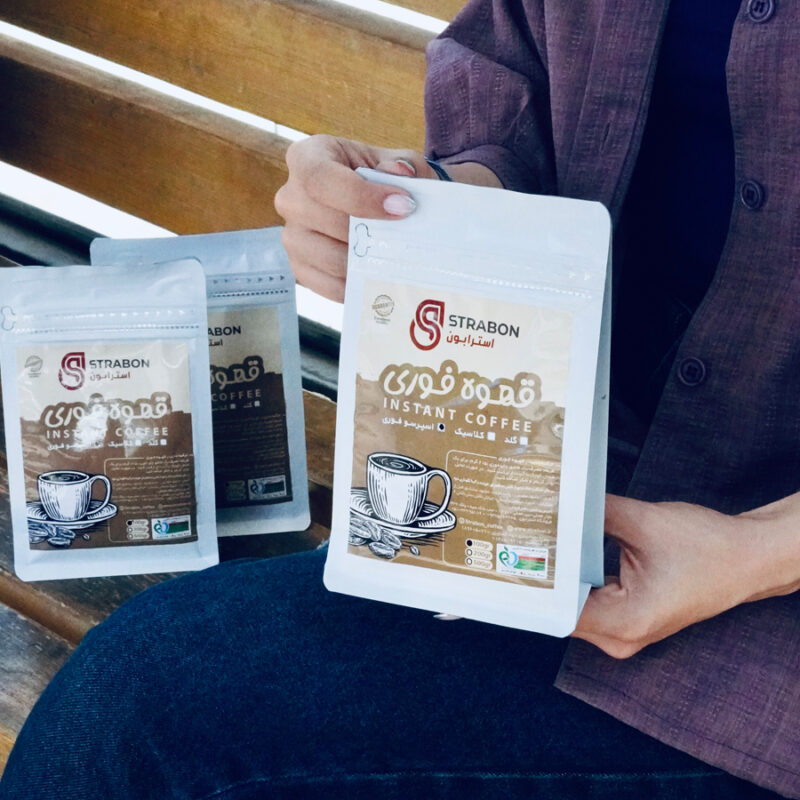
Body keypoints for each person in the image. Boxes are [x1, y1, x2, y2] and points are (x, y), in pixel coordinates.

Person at [1, 1, 798, 798]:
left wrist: (757, 552)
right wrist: (429, 205)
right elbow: (517, 67)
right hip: (530, 499)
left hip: (760, 639)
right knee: (131, 712)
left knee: (136, 716)